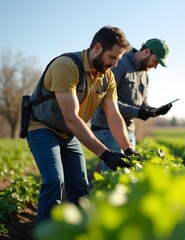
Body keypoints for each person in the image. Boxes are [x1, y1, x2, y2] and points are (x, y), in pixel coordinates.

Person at [26, 26, 142, 222]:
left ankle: (76, 231)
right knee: (55, 181)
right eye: (112, 57)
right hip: (42, 127)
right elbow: (71, 117)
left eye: (118, 60)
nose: (115, 64)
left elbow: (114, 116)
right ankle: (45, 233)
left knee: (80, 187)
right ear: (97, 48)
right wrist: (105, 154)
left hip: (68, 133)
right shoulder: (66, 66)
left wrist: (127, 149)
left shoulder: (107, 77)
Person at [90, 38, 172, 170]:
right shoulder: (120, 64)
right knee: (116, 176)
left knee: (129, 173)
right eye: (155, 61)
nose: (155, 66)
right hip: (108, 130)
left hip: (128, 131)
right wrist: (138, 112)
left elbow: (142, 103)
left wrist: (153, 110)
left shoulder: (145, 75)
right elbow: (106, 101)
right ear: (146, 52)